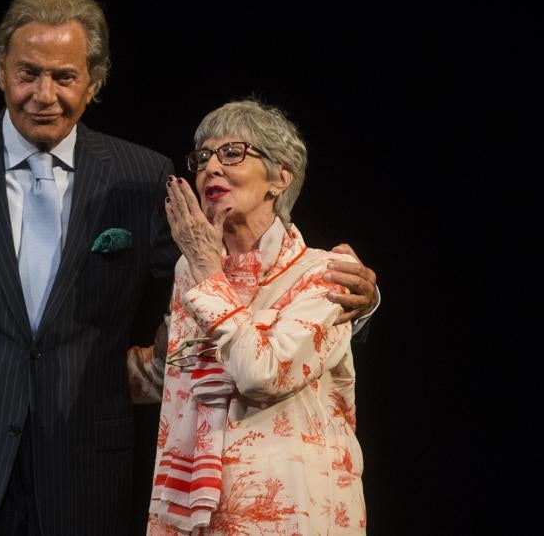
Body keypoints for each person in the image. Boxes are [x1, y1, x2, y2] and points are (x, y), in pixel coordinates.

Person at [0, 0, 379, 536]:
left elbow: (228, 282)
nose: (44, 94)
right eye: (27, 73)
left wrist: (359, 303)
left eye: (63, 77)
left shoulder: (139, 176)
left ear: (94, 82)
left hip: (87, 472)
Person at [127, 99, 367, 535]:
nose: (211, 167)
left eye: (232, 153)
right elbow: (178, 378)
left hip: (287, 511)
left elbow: (262, 373)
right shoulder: (192, 269)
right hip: (189, 516)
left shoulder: (326, 274)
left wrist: (205, 271)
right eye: (203, 158)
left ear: (280, 178)